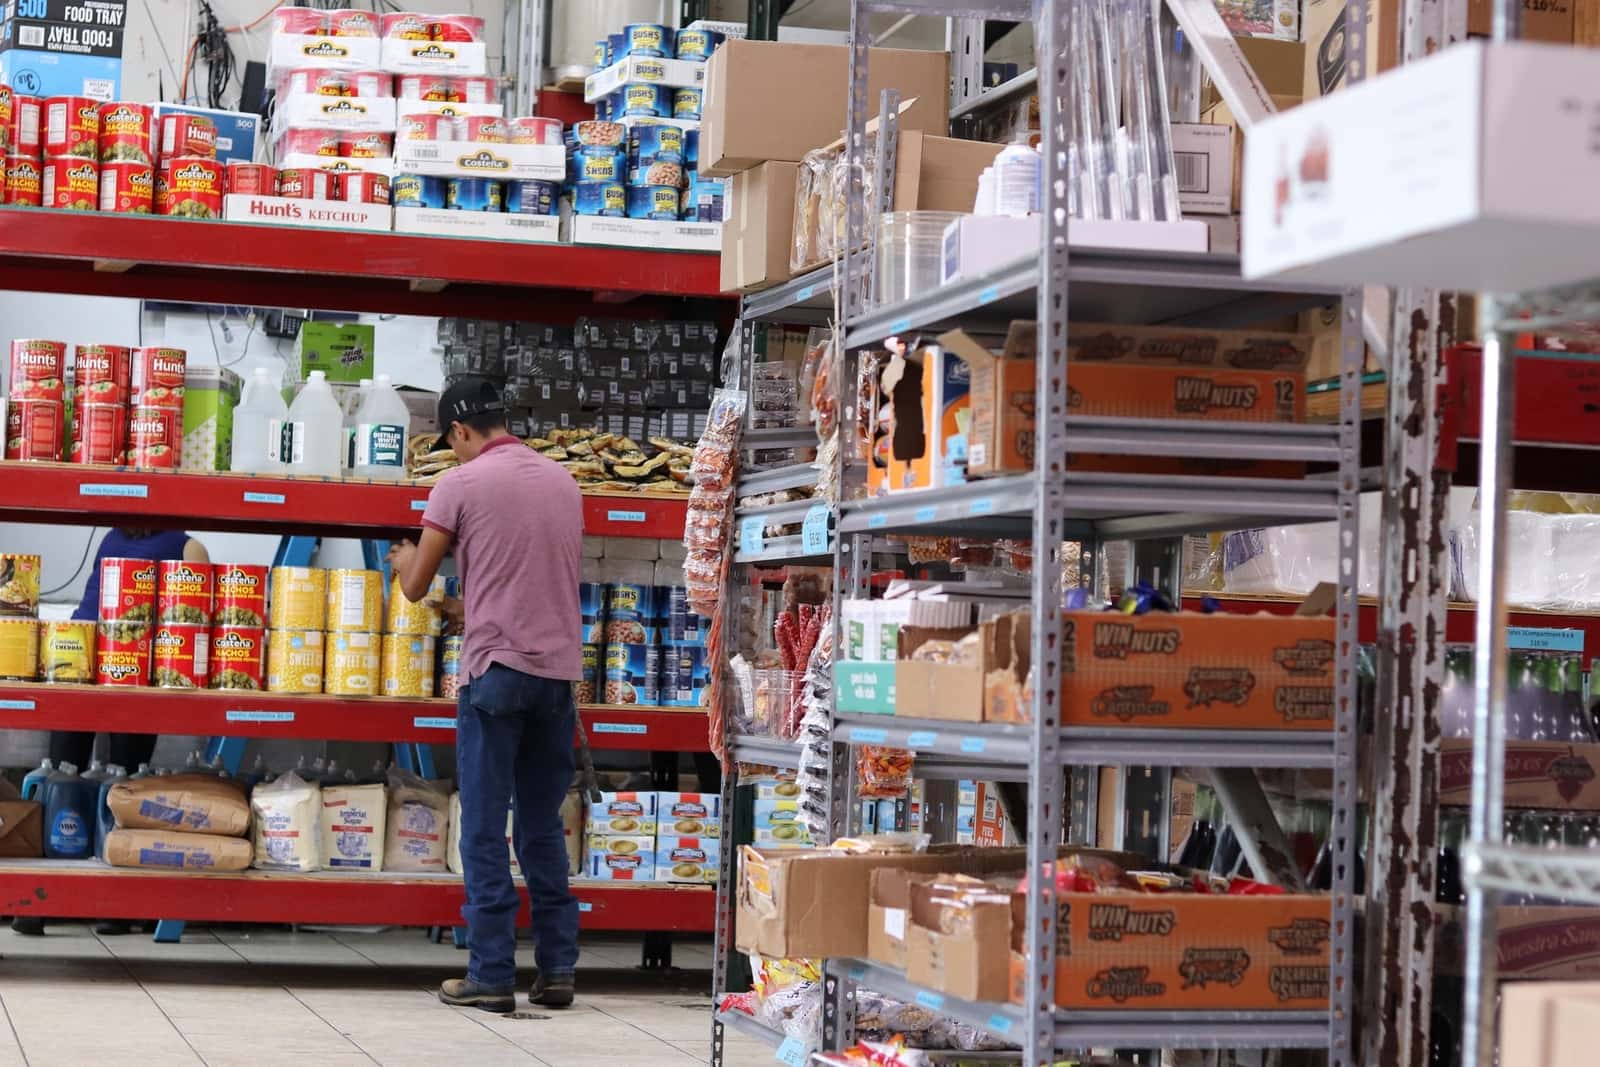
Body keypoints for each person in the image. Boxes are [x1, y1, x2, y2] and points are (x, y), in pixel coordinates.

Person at [388, 377, 583, 1013]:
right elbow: (525, 580)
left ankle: (491, 974)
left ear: (460, 433)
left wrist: (403, 560)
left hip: (495, 676)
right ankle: (557, 972)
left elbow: (417, 587)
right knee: (540, 828)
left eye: (453, 443)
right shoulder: (562, 482)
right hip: (556, 678)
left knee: (481, 827)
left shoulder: (459, 484)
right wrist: (467, 607)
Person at [13, 527, 209, 939]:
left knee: (82, 780)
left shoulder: (140, 541)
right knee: (99, 780)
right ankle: (89, 905)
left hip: (100, 660)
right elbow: (192, 619)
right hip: (108, 660)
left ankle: (55, 904)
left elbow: (186, 616)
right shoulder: (167, 543)